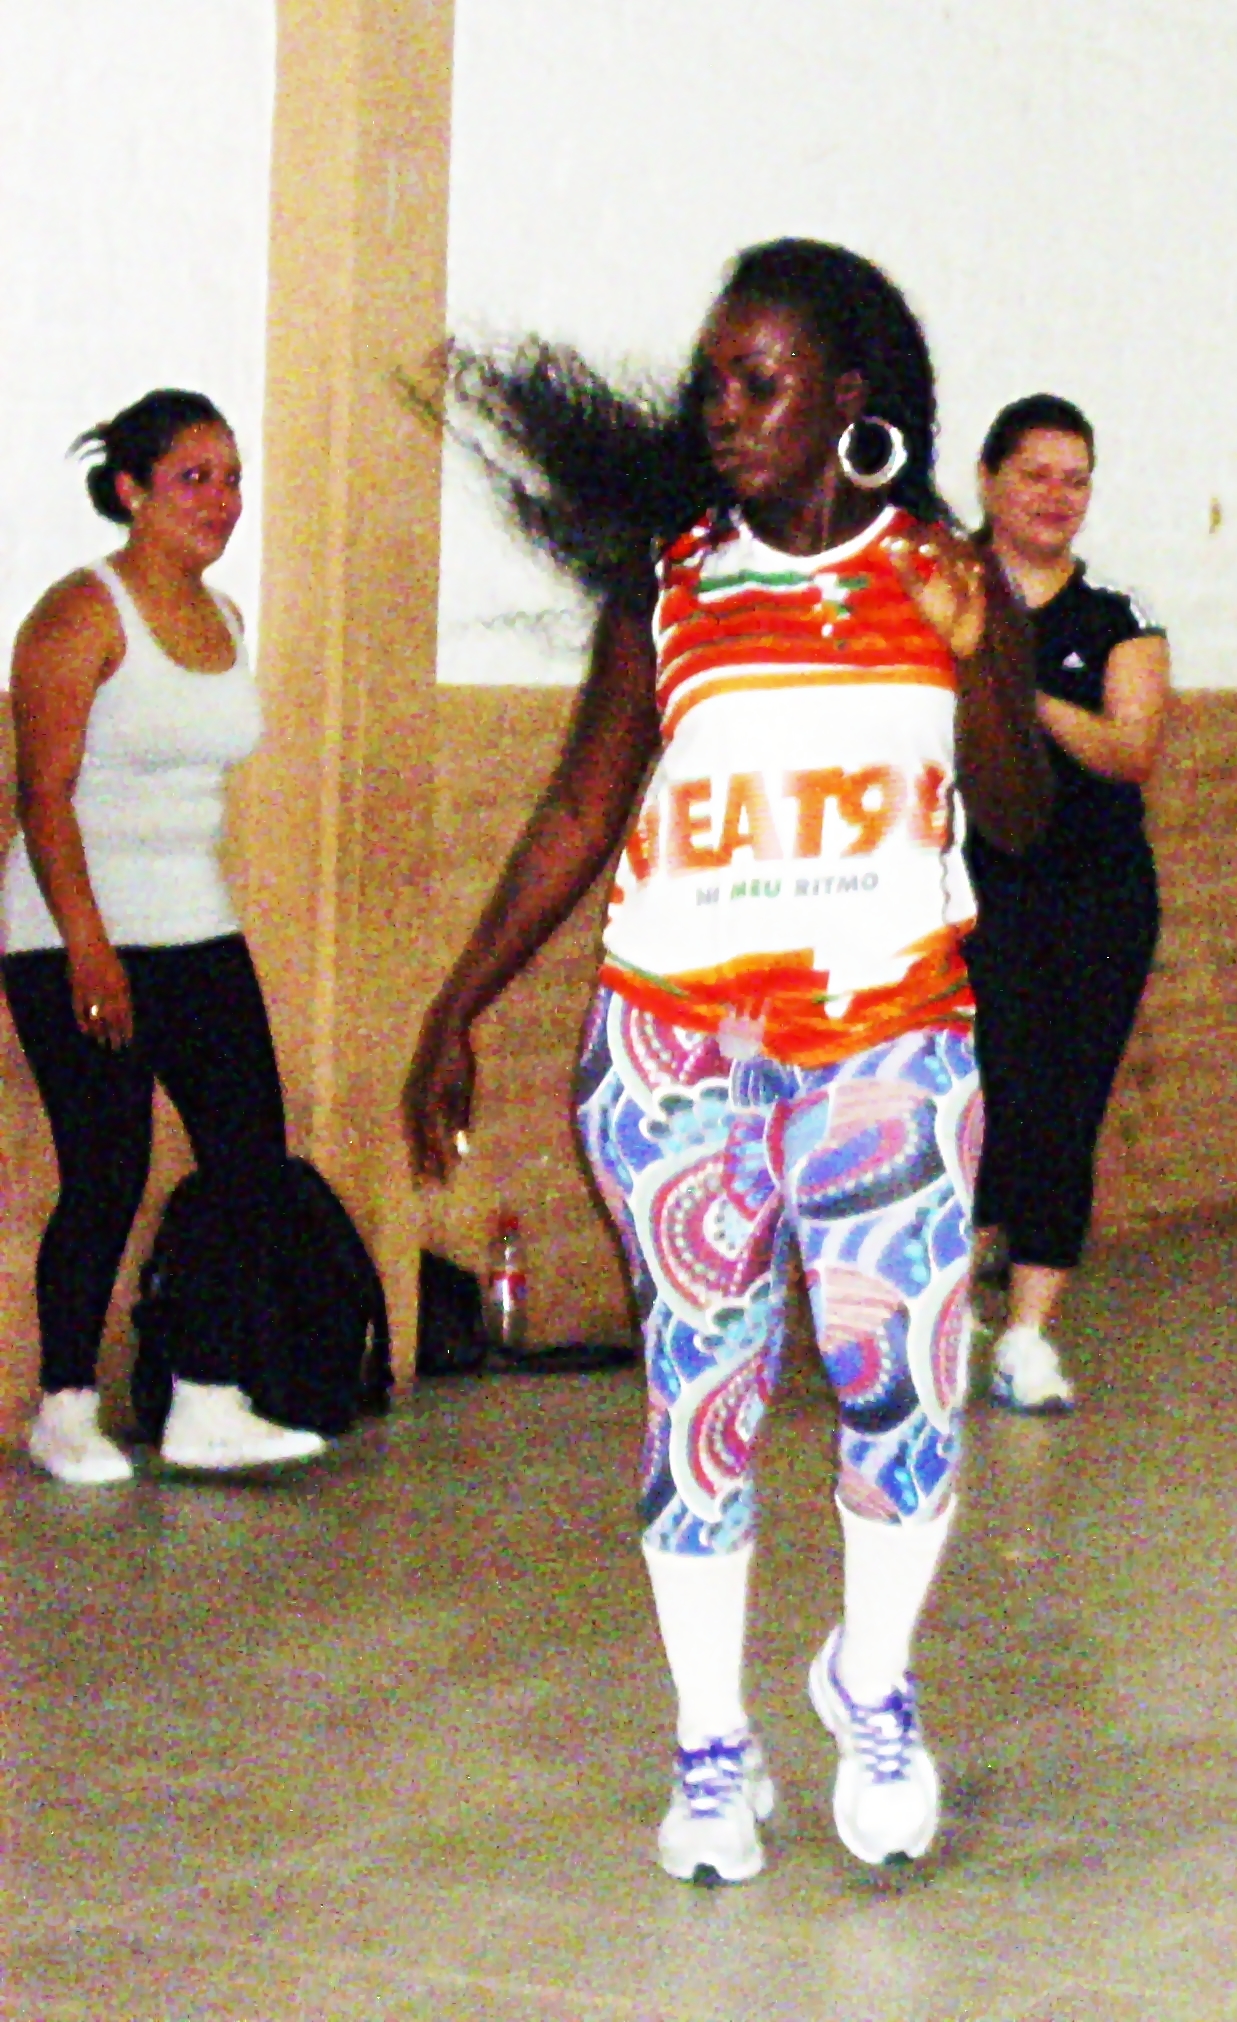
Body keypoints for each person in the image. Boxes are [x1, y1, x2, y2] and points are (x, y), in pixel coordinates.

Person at [400, 241, 1050, 1885]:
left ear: (848, 400)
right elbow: (577, 814)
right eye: (714, 385)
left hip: (885, 1044)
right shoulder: (673, 588)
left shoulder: (941, 575)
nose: (726, 412)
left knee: (900, 1388)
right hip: (675, 1043)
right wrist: (457, 1002)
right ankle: (709, 1741)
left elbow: (1024, 815)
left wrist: (982, 650)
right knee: (703, 1394)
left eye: (760, 384)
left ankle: (873, 1683)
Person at [4, 391, 327, 1483]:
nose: (222, 501)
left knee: (247, 1158)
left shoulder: (226, 618)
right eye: (195, 478)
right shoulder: (76, 614)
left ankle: (208, 1398)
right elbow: (43, 797)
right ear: (132, 490)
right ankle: (64, 1405)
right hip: (70, 928)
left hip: (196, 920)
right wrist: (88, 947)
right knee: (109, 1167)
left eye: (233, 479)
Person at [962, 395, 1171, 1413]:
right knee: (959, 1103)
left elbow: (1131, 751)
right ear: (989, 480)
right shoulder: (937, 588)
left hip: (1091, 901)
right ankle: (934, 1293)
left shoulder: (1115, 619)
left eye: (1075, 477)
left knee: (1058, 1110)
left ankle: (1028, 1334)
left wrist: (1021, 692)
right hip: (957, 895)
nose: (1055, 496)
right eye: (1035, 474)